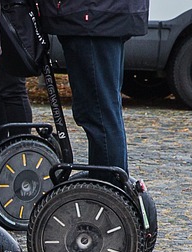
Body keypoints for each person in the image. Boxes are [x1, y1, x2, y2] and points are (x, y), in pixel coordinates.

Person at [38, 0, 149, 174]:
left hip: (91, 15)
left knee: (99, 114)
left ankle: (107, 191)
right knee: (104, 112)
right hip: (96, 15)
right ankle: (110, 189)